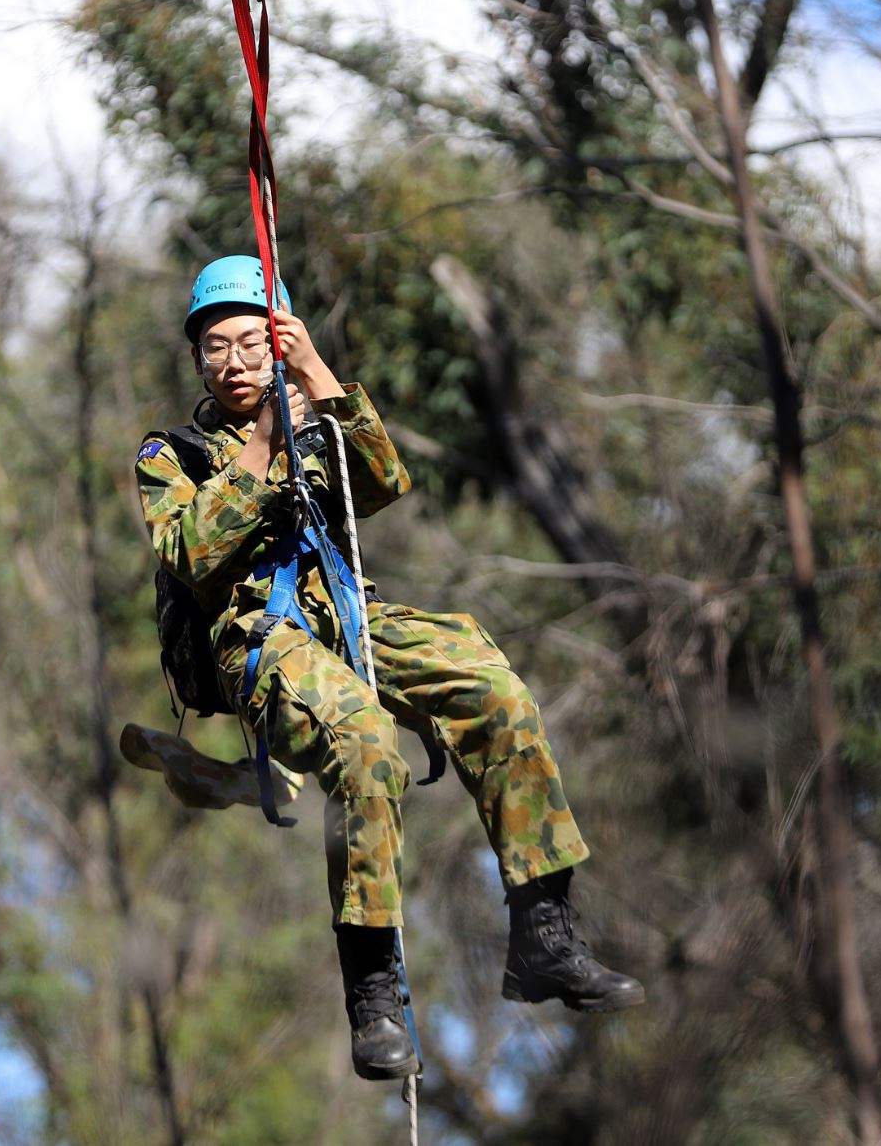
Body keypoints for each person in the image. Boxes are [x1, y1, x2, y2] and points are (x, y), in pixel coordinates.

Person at [134, 255, 644, 1081]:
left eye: (253, 345)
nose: (234, 362)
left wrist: (316, 378)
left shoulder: (314, 417)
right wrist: (266, 441)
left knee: (493, 691)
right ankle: (373, 993)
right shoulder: (174, 452)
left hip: (350, 617)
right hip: (260, 637)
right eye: (215, 347)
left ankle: (543, 933)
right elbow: (190, 551)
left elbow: (381, 482)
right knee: (365, 744)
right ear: (196, 359)